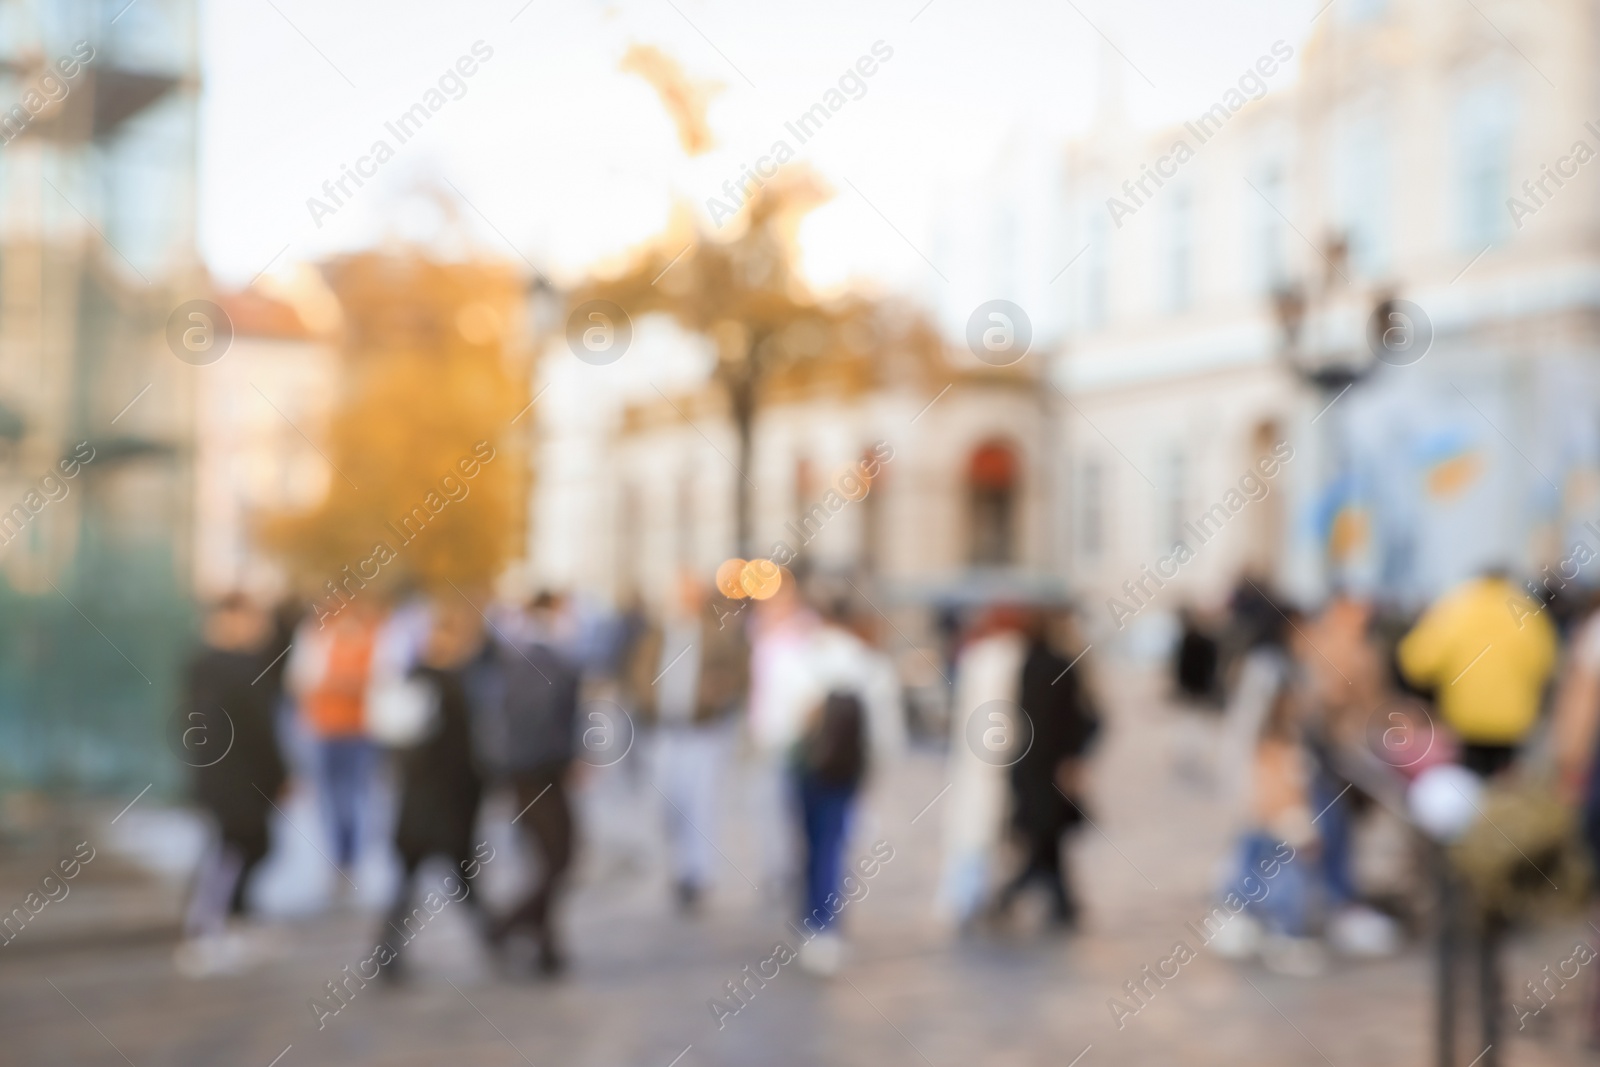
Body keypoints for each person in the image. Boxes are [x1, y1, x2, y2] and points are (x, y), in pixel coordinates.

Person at [786, 591, 903, 976]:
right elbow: (885, 733)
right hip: (845, 770)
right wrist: (874, 772)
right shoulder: (869, 665)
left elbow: (777, 720)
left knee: (810, 843)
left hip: (805, 767)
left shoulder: (801, 657)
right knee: (833, 845)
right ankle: (826, 927)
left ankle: (811, 921)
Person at [174, 593, 288, 977]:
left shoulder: (201, 665)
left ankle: (237, 920)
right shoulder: (237, 668)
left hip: (225, 778)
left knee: (246, 848)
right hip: (238, 780)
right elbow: (261, 731)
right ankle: (203, 931)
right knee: (229, 852)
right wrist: (279, 774)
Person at [376, 603, 488, 982]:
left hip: (424, 805)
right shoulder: (441, 685)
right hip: (442, 805)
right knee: (460, 881)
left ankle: (388, 954)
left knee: (419, 882)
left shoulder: (418, 682)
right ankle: (495, 941)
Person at [627, 571, 749, 912]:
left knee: (700, 805)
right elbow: (639, 673)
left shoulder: (716, 636)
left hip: (701, 732)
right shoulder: (656, 635)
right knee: (669, 805)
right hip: (664, 731)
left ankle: (696, 875)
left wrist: (719, 689)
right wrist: (647, 699)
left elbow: (739, 676)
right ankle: (677, 865)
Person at [484, 593, 582, 977]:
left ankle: (546, 946)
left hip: (527, 773)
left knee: (547, 858)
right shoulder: (547, 661)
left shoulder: (516, 658)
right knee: (559, 857)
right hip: (540, 773)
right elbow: (541, 719)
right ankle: (511, 924)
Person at [992, 610, 1100, 929]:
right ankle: (1046, 902)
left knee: (1046, 841)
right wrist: (1074, 758)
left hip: (1031, 766)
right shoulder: (1060, 666)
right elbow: (1083, 719)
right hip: (1049, 768)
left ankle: (1059, 904)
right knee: (1046, 842)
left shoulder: (1030, 665)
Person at [1398, 568, 1557, 778]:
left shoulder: (1455, 607)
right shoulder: (1528, 610)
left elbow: (1417, 662)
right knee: (1504, 784)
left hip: (1463, 722)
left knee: (1466, 782)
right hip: (1512, 725)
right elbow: (1547, 663)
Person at [936, 605, 1027, 929]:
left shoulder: (979, 658)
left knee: (972, 834)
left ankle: (969, 897)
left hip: (977, 761)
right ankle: (978, 897)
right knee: (984, 834)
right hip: (996, 762)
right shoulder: (1009, 659)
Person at [287, 603, 380, 889]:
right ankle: (338, 858)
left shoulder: (367, 638)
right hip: (323, 729)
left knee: (352, 796)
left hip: (358, 729)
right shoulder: (315, 638)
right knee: (330, 797)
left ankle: (348, 857)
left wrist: (338, 684)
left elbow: (377, 681)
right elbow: (299, 682)